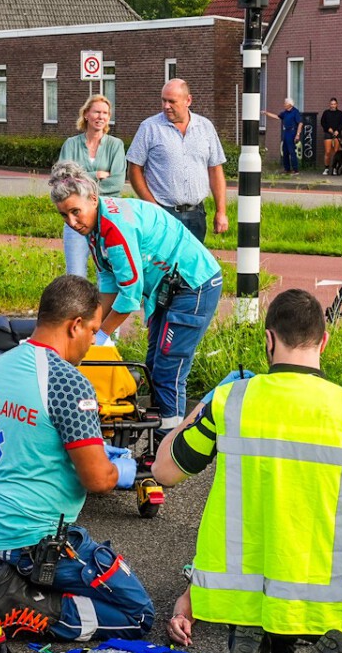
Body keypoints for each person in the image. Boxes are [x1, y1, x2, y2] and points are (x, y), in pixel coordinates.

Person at [157, 289, 342, 653]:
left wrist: (199, 407)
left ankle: (257, 645)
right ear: (324, 342)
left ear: (269, 341)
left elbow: (165, 471)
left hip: (260, 596)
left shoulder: (232, 401)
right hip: (339, 596)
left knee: (262, 627)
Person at [0, 274, 155, 641]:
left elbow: (29, 441)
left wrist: (90, 448)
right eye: (94, 330)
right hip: (33, 540)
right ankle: (25, 605)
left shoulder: (0, 366)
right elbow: (98, 481)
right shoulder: (67, 381)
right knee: (138, 614)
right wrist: (122, 470)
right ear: (75, 325)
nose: (94, 340)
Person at [51, 161, 222, 425]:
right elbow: (109, 281)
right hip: (168, 287)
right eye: (64, 215)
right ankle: (159, 440)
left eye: (75, 212)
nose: (72, 222)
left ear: (94, 199)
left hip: (193, 283)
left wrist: (103, 334)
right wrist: (93, 326)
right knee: (154, 366)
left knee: (168, 370)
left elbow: (130, 295)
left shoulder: (115, 226)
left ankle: (169, 449)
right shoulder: (94, 224)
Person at [126, 78, 228, 242]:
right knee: (162, 265)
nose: (166, 106)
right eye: (163, 100)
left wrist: (221, 211)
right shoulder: (149, 127)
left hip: (197, 215)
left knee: (192, 265)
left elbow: (215, 169)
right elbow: (134, 168)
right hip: (163, 212)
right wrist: (153, 206)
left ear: (188, 100)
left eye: (172, 101)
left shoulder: (205, 127)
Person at [55, 93, 127, 277]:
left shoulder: (116, 145)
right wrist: (96, 175)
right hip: (76, 219)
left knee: (108, 275)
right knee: (76, 274)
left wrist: (80, 183)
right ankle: (79, 307)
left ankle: (104, 307)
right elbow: (63, 181)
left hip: (108, 218)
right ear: (86, 114)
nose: (100, 117)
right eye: (96, 112)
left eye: (105, 113)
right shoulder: (70, 145)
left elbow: (117, 183)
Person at [263, 98, 303, 175]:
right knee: (285, 151)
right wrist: (267, 113)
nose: (284, 105)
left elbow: (300, 123)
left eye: (285, 103)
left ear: (290, 104)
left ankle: (295, 170)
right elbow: (277, 117)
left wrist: (297, 134)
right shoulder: (285, 113)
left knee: (292, 151)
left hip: (292, 132)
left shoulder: (295, 112)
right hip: (286, 132)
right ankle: (287, 169)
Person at [317, 97, 342, 171]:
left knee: (336, 152)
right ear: (329, 104)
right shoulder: (326, 113)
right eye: (331, 104)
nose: (333, 105)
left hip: (337, 134)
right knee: (328, 151)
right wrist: (328, 128)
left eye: (334, 104)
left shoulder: (340, 113)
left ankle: (335, 168)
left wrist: (338, 131)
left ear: (337, 105)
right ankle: (326, 168)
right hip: (328, 133)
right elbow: (323, 122)